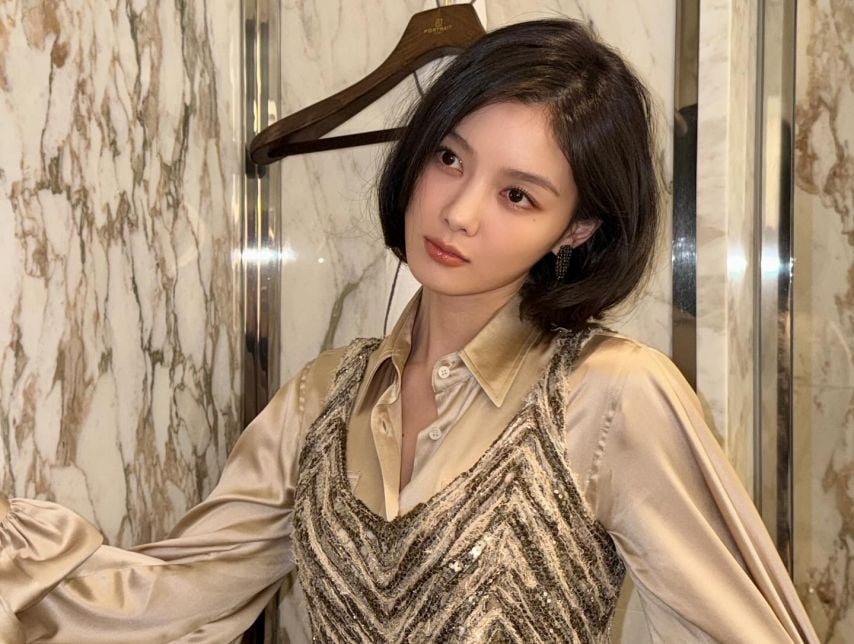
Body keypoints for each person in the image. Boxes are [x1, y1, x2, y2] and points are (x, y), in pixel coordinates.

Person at [0, 18, 818, 644]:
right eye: (450, 159)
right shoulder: (321, 396)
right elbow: (166, 598)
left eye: (518, 195)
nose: (457, 212)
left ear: (576, 229)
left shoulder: (611, 394)